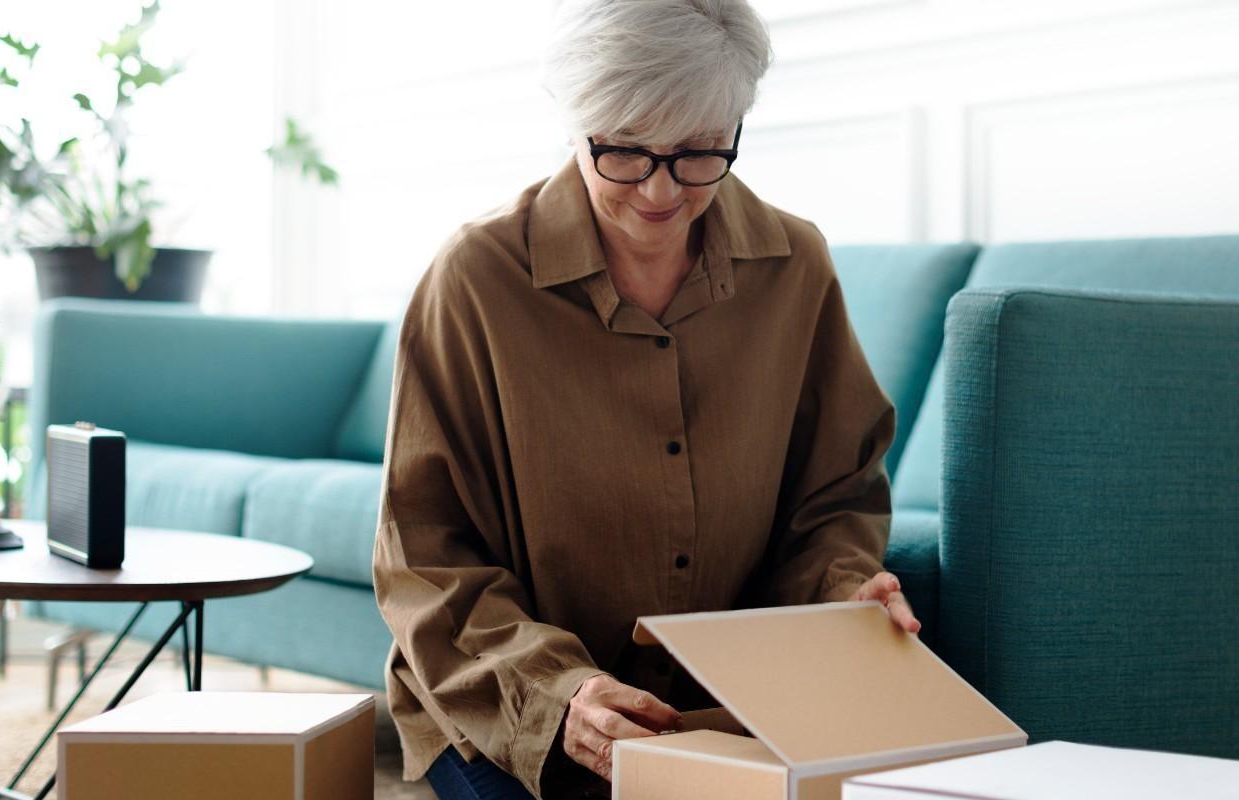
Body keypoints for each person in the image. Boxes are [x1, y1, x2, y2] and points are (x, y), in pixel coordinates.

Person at [372, 1, 919, 798]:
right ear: (578, 125)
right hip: (513, 709)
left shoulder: (794, 266)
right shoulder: (476, 277)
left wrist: (844, 591)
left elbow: (834, 495)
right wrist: (566, 696)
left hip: (726, 708)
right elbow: (425, 554)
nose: (662, 191)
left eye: (699, 152)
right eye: (625, 152)